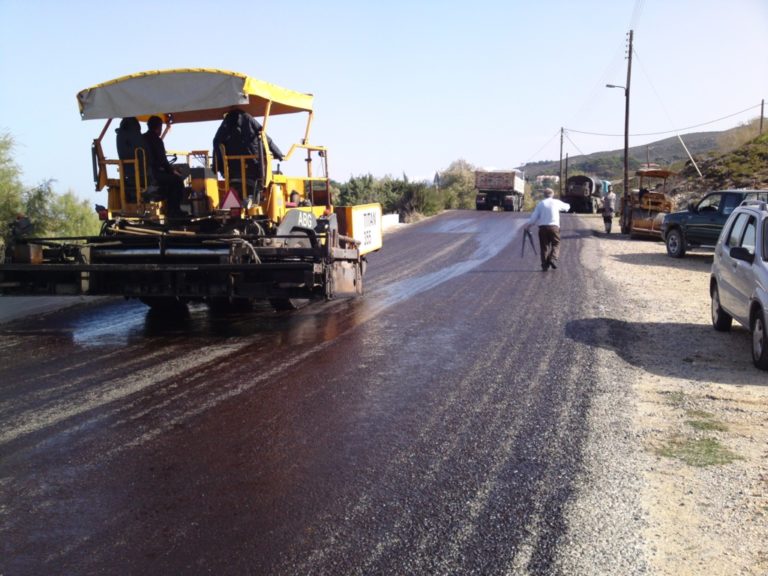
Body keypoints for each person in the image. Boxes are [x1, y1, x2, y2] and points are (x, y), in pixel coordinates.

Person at [142, 115, 184, 217]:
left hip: (143, 174)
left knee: (171, 179)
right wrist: (172, 171)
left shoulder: (141, 138)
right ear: (159, 127)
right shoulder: (156, 140)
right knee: (177, 181)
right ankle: (174, 211)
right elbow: (162, 161)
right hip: (154, 174)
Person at [523, 188, 570, 271]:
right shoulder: (556, 202)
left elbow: (534, 218)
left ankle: (544, 265)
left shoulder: (540, 204)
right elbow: (567, 207)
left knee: (544, 247)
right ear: (552, 194)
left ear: (544, 195)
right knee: (556, 244)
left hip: (542, 228)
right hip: (554, 227)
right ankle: (552, 258)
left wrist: (528, 226)